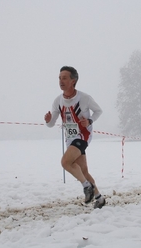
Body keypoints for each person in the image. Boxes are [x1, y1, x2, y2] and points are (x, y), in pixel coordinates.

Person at [44, 66, 105, 209]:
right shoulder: (58, 101)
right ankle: (99, 198)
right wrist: (48, 120)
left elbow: (98, 111)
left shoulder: (84, 98)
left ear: (73, 81)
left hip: (83, 135)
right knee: (83, 171)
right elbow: (51, 124)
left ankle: (86, 187)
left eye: (64, 78)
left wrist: (89, 121)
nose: (61, 81)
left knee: (65, 162)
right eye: (59, 78)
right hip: (70, 137)